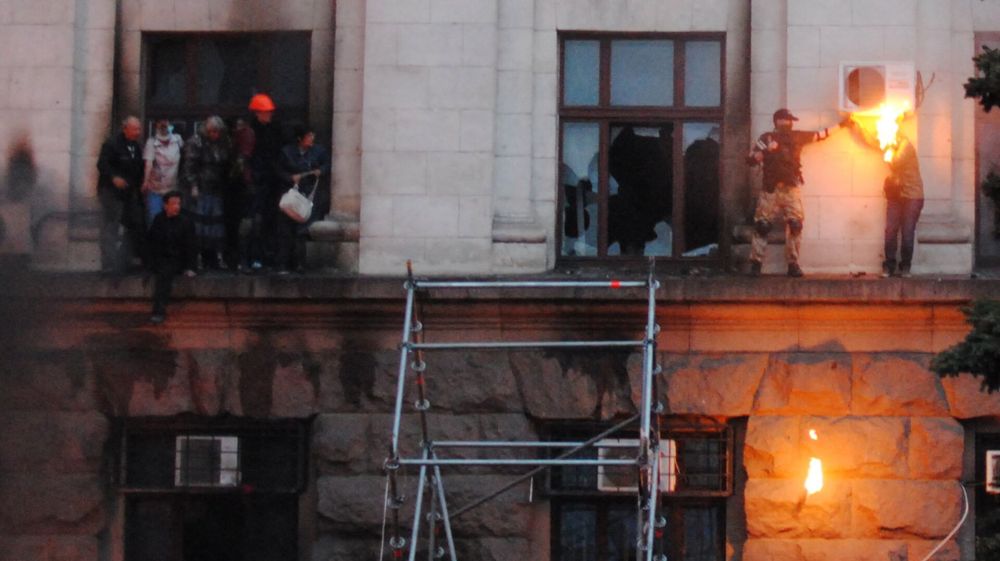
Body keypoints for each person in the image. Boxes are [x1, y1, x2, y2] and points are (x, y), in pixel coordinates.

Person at [746, 109, 848, 277]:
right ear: (778, 121)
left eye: (790, 121)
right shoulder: (766, 138)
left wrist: (843, 125)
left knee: (795, 225)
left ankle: (793, 264)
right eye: (787, 120)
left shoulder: (797, 137)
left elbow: (821, 135)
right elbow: (750, 160)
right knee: (762, 225)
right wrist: (766, 151)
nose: (789, 124)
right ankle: (756, 263)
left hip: (791, 189)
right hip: (770, 190)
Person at [849, 121, 924, 277]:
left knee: (907, 232)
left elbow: (895, 161)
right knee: (890, 230)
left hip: (912, 196)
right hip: (895, 194)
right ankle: (889, 266)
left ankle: (905, 267)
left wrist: (887, 148)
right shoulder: (890, 143)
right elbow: (872, 141)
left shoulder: (905, 145)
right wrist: (857, 125)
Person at [275, 125, 330, 273]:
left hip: (308, 195)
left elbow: (327, 164)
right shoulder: (287, 152)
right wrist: (290, 178)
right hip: (291, 195)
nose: (312, 138)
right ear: (300, 138)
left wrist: (320, 171)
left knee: (301, 230)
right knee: (285, 230)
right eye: (309, 136)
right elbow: (278, 170)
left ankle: (299, 263)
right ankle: (283, 263)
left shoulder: (319, 152)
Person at [182, 116, 232, 270]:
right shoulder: (196, 142)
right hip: (201, 187)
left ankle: (216, 256)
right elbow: (189, 166)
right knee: (199, 224)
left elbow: (226, 162)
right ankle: (198, 257)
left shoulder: (224, 142)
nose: (214, 135)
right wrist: (193, 185)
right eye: (211, 131)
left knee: (216, 224)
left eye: (217, 132)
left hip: (217, 188)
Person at [97, 115, 146, 274]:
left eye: (139, 129)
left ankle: (125, 260)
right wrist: (114, 177)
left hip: (129, 193)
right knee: (111, 226)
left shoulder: (136, 147)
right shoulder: (112, 144)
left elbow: (138, 169)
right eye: (135, 129)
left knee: (134, 225)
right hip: (111, 193)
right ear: (125, 129)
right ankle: (109, 264)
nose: (138, 132)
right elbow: (102, 164)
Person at [245, 93, 284, 271]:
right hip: (258, 182)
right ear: (257, 113)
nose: (269, 115)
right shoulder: (250, 133)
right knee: (256, 222)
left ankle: (269, 256)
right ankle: (254, 256)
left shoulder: (274, 130)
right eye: (266, 112)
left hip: (272, 182)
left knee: (270, 221)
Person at [147, 190, 196, 324]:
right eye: (173, 204)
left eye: (178, 204)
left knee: (164, 274)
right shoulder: (159, 219)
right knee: (163, 271)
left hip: (177, 260)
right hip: (162, 258)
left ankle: (159, 311)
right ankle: (158, 310)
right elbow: (152, 241)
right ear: (165, 205)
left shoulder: (185, 222)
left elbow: (191, 246)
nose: (177, 207)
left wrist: (190, 267)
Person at [142, 119, 184, 227]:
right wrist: (145, 181)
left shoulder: (178, 140)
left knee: (172, 221)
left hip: (172, 189)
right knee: (154, 219)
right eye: (161, 123)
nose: (164, 126)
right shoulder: (151, 142)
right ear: (156, 126)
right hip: (156, 189)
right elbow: (148, 164)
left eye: (166, 123)